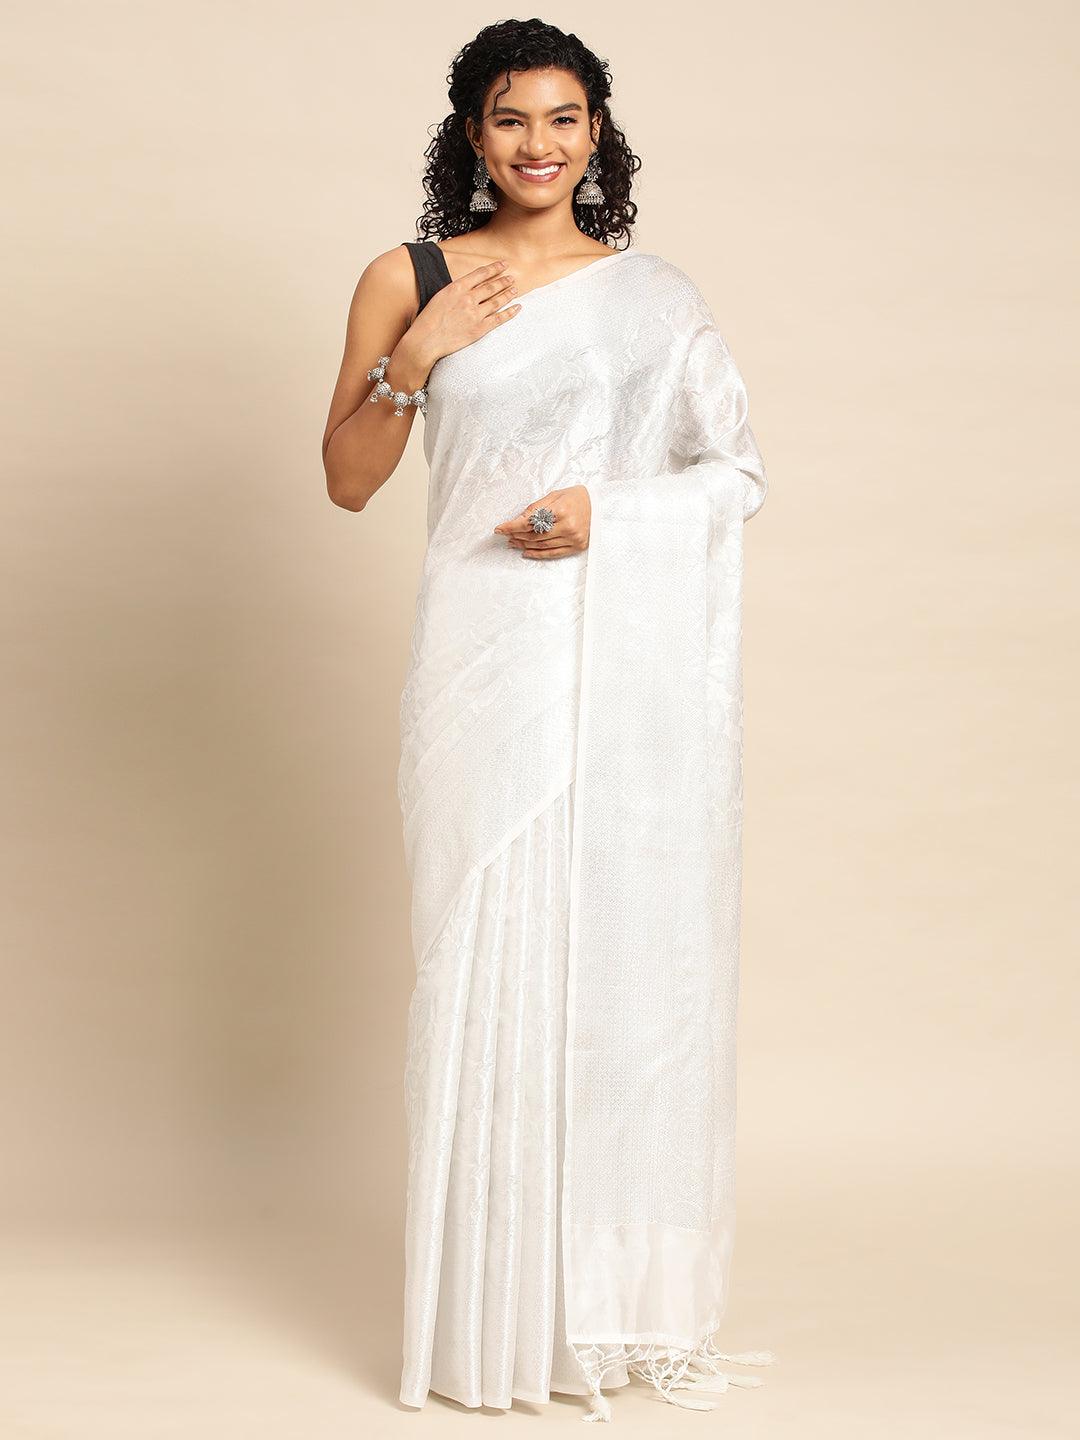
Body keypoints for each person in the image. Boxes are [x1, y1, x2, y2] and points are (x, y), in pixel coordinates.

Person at [322, 18, 775, 1423]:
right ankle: (488, 1321)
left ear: (596, 135)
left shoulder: (655, 300)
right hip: (480, 658)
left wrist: (606, 515)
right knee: (480, 954)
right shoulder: (407, 276)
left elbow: (735, 472)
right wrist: (421, 350)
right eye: (511, 118)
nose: (539, 144)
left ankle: (601, 1314)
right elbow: (347, 478)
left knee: (607, 963)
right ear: (472, 132)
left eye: (564, 118)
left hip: (614, 667)